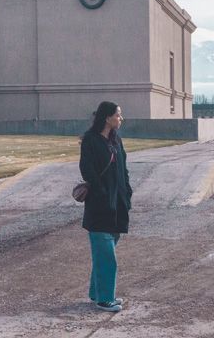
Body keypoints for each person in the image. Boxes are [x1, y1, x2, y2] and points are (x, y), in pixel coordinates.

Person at [79, 100, 132, 312]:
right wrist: (101, 192)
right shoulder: (91, 140)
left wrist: (127, 192)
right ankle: (104, 299)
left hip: (118, 205)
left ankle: (96, 293)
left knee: (103, 254)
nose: (121, 118)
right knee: (107, 256)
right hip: (100, 206)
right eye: (118, 115)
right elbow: (86, 169)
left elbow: (124, 169)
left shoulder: (116, 140)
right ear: (107, 117)